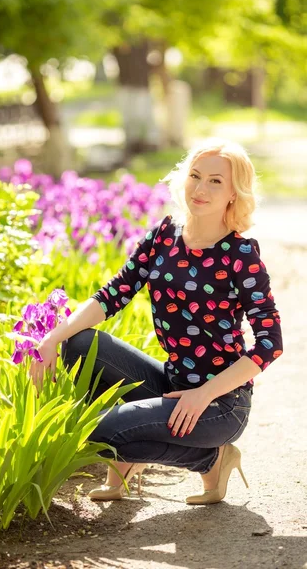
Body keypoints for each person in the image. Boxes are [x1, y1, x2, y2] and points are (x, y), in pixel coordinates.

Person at [29, 138, 283, 504]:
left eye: (215, 181)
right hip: (172, 381)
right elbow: (114, 293)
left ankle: (213, 458)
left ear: (233, 193)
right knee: (79, 344)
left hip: (220, 403)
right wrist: (52, 337)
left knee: (101, 432)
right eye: (195, 176)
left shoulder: (242, 254)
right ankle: (129, 456)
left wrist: (204, 394)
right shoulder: (166, 233)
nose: (200, 188)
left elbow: (269, 344)